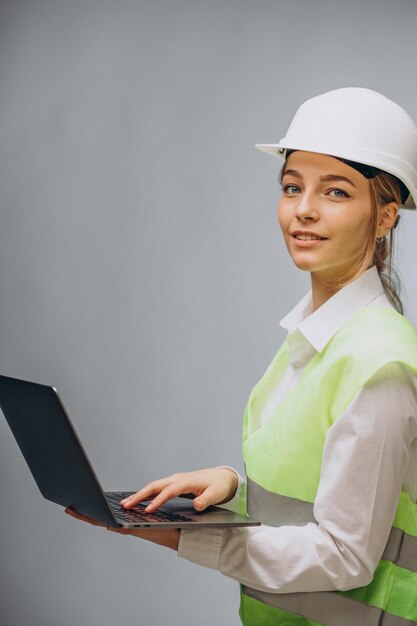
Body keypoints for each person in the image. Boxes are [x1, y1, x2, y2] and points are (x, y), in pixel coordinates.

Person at [66, 87, 417, 626]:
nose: (303, 209)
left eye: (337, 192)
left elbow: (344, 555)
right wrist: (234, 486)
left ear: (386, 215)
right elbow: (335, 490)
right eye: (292, 186)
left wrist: (183, 537)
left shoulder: (380, 362)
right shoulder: (318, 336)